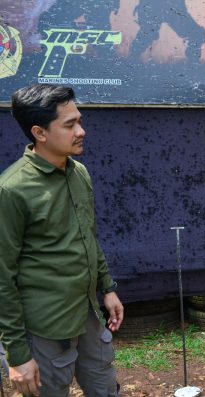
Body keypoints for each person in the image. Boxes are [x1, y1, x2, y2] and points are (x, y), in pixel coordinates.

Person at [0, 84, 124, 396]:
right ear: (39, 133)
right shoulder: (12, 190)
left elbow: (88, 236)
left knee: (106, 389)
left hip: (88, 314)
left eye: (79, 121)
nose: (80, 131)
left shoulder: (78, 172)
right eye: (69, 125)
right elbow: (2, 278)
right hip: (44, 328)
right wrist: (18, 356)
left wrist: (107, 288)